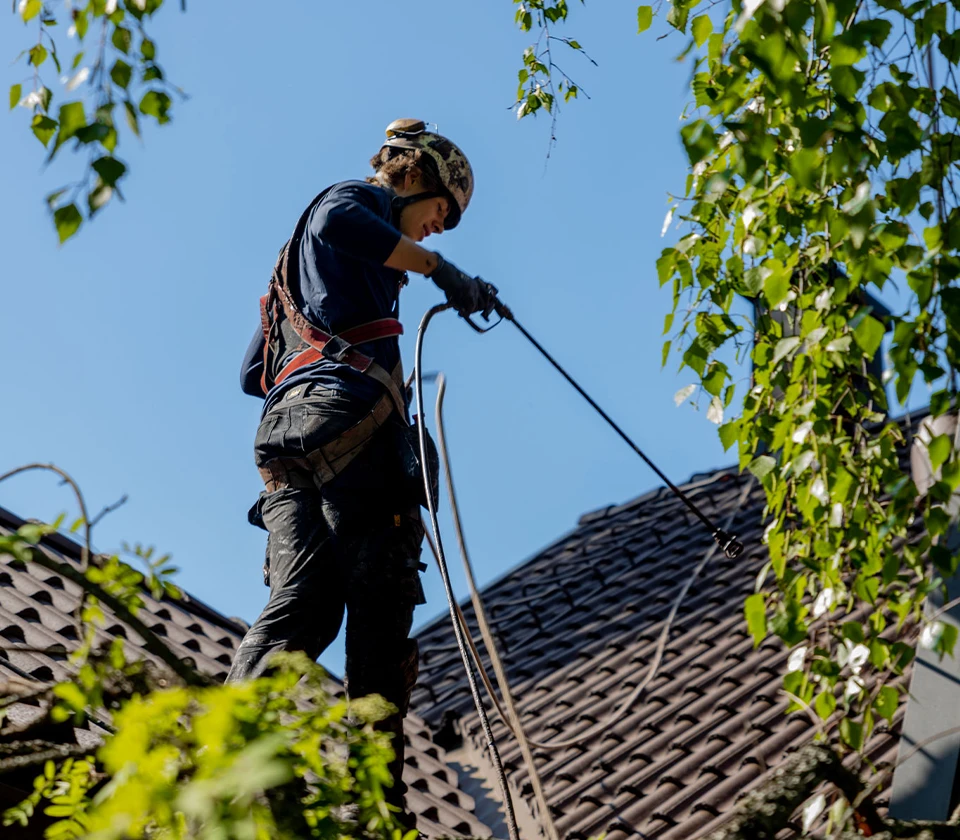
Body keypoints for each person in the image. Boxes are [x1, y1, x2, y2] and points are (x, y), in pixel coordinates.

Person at [228, 119, 495, 827]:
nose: (440, 231)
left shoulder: (293, 272)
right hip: (350, 413)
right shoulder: (355, 201)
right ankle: (373, 804)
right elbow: (346, 219)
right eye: (442, 211)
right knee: (380, 604)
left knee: (309, 605)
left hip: (286, 437)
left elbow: (252, 370)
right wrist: (441, 275)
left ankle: (227, 749)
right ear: (413, 175)